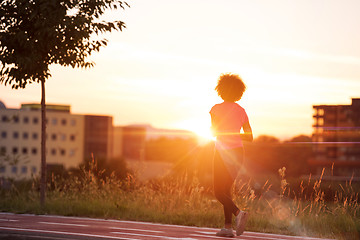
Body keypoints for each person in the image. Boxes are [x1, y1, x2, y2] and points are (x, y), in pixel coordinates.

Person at [210, 73, 253, 237]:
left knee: (218, 192)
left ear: (220, 90)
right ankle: (227, 228)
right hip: (238, 153)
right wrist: (234, 134)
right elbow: (250, 137)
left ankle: (238, 213)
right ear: (239, 92)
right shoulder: (242, 111)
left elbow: (214, 132)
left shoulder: (215, 109)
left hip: (222, 152)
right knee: (226, 190)